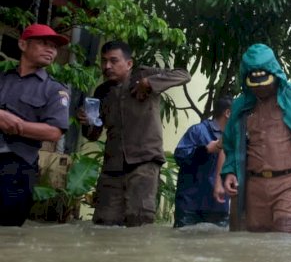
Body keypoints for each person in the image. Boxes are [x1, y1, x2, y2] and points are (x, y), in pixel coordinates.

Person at [220, 44, 291, 234]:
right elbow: (230, 144)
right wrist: (230, 171)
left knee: (285, 241)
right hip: (253, 186)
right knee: (254, 245)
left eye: (265, 83)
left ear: (275, 74)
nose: (261, 89)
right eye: (255, 85)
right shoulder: (241, 105)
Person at [79, 40, 191, 226]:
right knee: (103, 224)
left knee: (139, 221)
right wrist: (87, 122)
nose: (107, 66)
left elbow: (183, 75)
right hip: (112, 166)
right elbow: (93, 135)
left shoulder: (144, 74)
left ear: (129, 63)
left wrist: (149, 83)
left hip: (144, 161)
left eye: (114, 61)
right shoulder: (102, 91)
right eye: (104, 61)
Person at [0, 24, 70, 226]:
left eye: (54, 47)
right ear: (23, 44)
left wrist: (17, 124)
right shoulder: (3, 79)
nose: (51, 50)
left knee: (7, 235)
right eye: (43, 43)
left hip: (17, 167)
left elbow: (54, 132)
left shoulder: (54, 90)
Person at [173, 96, 232, 228]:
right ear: (228, 113)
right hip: (191, 206)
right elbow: (179, 157)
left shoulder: (234, 137)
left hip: (219, 207)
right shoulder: (198, 131)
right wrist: (205, 150)